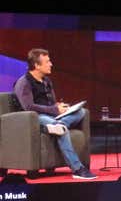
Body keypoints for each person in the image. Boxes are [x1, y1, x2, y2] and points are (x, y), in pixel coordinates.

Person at [13, 48, 97, 179]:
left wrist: (61, 107)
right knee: (61, 128)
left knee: (80, 112)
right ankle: (77, 169)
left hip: (51, 117)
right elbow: (28, 107)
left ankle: (51, 127)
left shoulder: (46, 81)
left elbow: (51, 104)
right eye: (47, 61)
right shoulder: (24, 83)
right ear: (37, 65)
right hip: (33, 118)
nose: (51, 64)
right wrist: (54, 110)